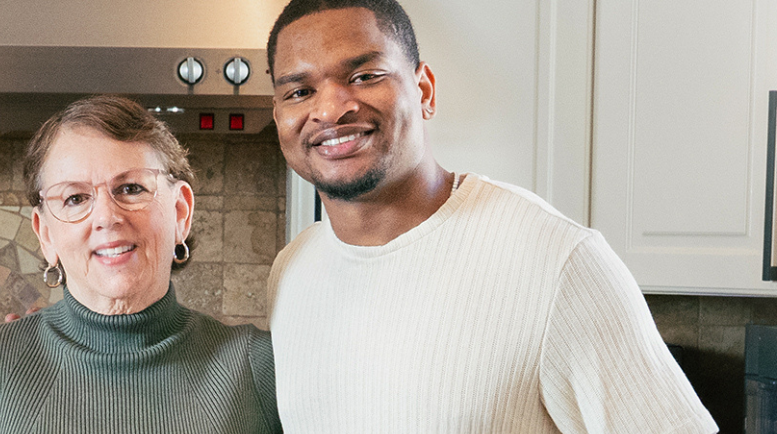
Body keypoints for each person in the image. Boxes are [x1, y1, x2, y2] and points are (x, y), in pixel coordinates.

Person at [265, 0, 719, 433]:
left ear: (424, 91)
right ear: (280, 115)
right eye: (300, 91)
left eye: (365, 76)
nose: (328, 109)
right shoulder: (293, 270)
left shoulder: (558, 262)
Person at [0, 95, 283, 434]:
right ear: (45, 233)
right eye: (75, 198)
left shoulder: (262, 367)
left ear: (180, 212)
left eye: (130, 188)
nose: (107, 217)